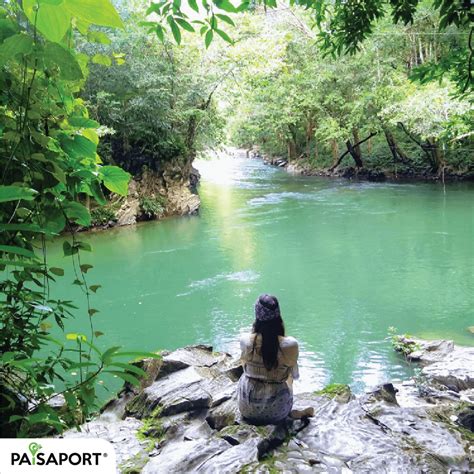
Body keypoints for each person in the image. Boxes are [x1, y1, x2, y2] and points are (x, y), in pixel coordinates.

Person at [237, 294, 313, 425]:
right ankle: (292, 412)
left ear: (257, 317)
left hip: (246, 410)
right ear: (278, 316)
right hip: (277, 413)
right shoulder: (290, 345)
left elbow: (243, 367)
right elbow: (295, 376)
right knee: (287, 377)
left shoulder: (246, 341)